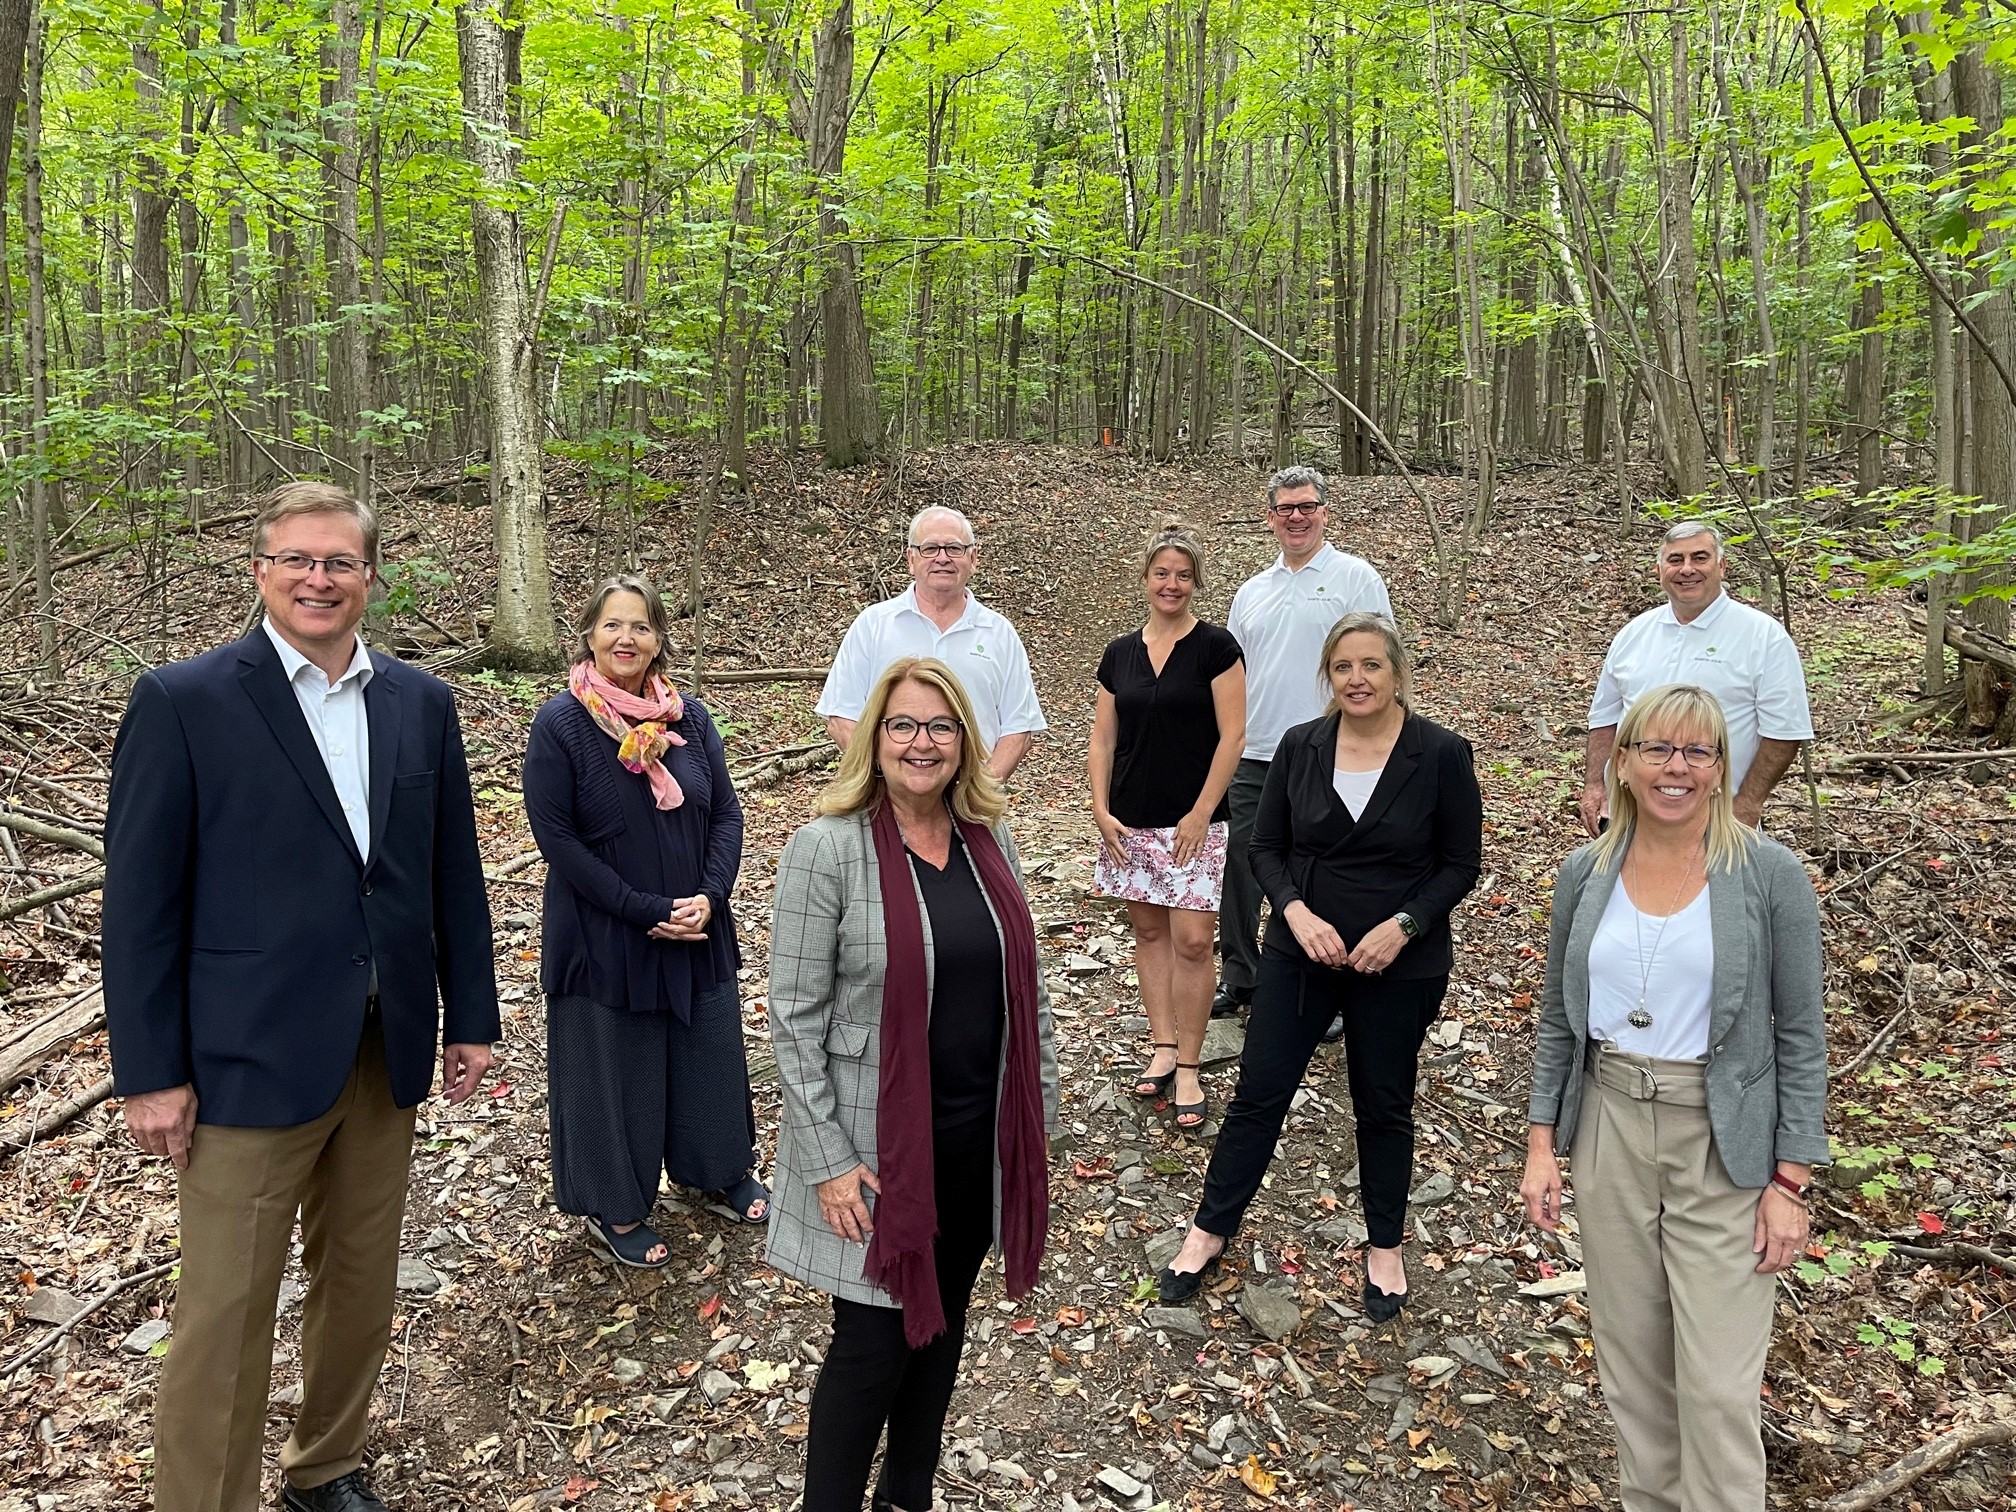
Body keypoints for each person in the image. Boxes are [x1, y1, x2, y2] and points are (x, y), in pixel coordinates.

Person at [102, 482, 498, 1512]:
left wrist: (475, 1018)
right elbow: (140, 907)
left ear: (371, 576)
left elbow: (449, 868)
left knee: (360, 1286)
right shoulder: (185, 701)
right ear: (260, 572)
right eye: (297, 561)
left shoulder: (420, 701)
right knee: (226, 1313)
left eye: (338, 562)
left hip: (385, 1046)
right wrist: (150, 1074)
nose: (318, 579)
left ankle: (325, 1463)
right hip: (245, 1057)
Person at [1525, 682, 1828, 1511]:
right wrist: (1542, 1143)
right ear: (1622, 764)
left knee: (1719, 1390)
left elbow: (1801, 1035)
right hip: (1611, 1126)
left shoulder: (1768, 874)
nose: (1677, 767)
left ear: (1722, 768)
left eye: (1699, 751)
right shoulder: (1585, 872)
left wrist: (1790, 1182)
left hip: (1724, 1144)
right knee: (1634, 1375)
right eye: (1657, 748)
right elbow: (1561, 1016)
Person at [769, 657, 1058, 1512]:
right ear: (873, 738)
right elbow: (792, 1015)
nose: (920, 742)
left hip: (975, 1145)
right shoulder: (826, 848)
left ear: (964, 740)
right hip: (873, 1151)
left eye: (939, 726)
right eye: (902, 725)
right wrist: (824, 1158)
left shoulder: (987, 838)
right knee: (870, 1348)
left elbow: (1022, 989)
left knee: (940, 1335)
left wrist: (1031, 1132)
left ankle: (908, 1496)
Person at [1157, 613, 1481, 1321]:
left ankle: (1385, 1244)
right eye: (1343, 667)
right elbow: (1265, 847)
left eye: (1371, 665)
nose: (1357, 679)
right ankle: (1209, 1230)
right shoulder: (1302, 747)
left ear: (1397, 672)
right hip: (1301, 952)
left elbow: (1461, 865)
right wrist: (1295, 914)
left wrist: (1405, 926)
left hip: (1400, 960)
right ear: (1327, 677)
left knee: (1384, 1102)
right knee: (1258, 1093)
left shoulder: (1442, 754)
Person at [522, 574, 761, 1269]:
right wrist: (644, 910)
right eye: (613, 625)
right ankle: (615, 1206)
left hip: (697, 924)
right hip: (604, 935)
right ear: (590, 635)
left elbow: (725, 814)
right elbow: (558, 841)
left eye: (642, 626)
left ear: (659, 639)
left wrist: (711, 898)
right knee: (613, 1071)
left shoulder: (692, 719)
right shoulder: (561, 724)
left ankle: (716, 1172)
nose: (627, 638)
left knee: (707, 1054)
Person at [1220, 465, 1393, 1043]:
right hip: (1257, 753)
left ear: (1325, 511)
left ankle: (1335, 986)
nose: (1297, 516)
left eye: (1308, 506)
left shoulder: (1355, 578)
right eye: (1286, 507)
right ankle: (1241, 974)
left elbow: (1379, 662)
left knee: (1326, 874)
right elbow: (1232, 676)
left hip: (1333, 752)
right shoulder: (1251, 592)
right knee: (1241, 867)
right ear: (1270, 517)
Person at [1089, 521, 1246, 1129]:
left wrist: (1203, 810)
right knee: (1150, 935)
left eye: (1183, 575)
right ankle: (1160, 1046)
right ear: (1146, 578)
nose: (1171, 584)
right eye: (1162, 573)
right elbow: (1103, 738)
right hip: (1129, 819)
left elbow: (1234, 735)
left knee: (1193, 941)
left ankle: (1188, 1061)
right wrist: (1101, 810)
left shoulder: (1216, 647)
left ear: (1195, 582)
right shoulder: (1119, 653)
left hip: (1195, 818)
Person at [1581, 521, 1813, 836]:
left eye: (1699, 558)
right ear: (1659, 569)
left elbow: (1785, 732)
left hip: (1717, 818)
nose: (1687, 569)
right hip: (1627, 816)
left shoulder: (1763, 636)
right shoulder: (1634, 633)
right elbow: (1605, 717)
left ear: (1722, 566)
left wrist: (1746, 805)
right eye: (1675, 560)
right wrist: (1596, 784)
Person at [817, 506, 1047, 781]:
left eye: (954, 548)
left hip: (973, 802)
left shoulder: (999, 634)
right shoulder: (874, 625)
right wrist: (886, 778)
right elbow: (841, 716)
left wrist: (981, 790)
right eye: (930, 549)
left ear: (973, 558)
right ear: (911, 559)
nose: (942, 558)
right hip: (886, 799)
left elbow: (1019, 728)